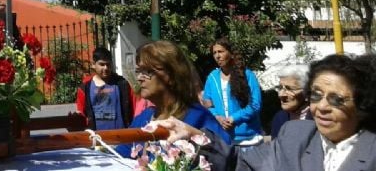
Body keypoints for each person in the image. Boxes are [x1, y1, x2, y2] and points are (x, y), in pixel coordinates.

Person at [147, 53, 376, 170]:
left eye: (336, 99)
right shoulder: (295, 136)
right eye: (316, 95)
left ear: (363, 104)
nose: (322, 106)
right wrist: (193, 135)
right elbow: (239, 162)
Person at [115, 41, 230, 157]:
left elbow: (227, 157)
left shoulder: (198, 116)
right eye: (139, 71)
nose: (139, 78)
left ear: (172, 75)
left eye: (148, 71)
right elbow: (119, 156)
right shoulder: (144, 118)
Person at [203, 37, 264, 147]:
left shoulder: (247, 75)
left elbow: (255, 104)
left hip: (249, 140)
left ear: (231, 54)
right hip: (223, 140)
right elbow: (207, 103)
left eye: (221, 51)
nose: (217, 56)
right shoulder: (212, 78)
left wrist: (233, 118)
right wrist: (217, 117)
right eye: (214, 53)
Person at [75, 47, 136, 131]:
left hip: (122, 138)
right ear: (93, 64)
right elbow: (81, 113)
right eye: (102, 64)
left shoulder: (122, 84)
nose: (106, 68)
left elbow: (134, 108)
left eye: (108, 64)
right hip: (97, 139)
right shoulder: (85, 88)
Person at [270, 63, 312, 138]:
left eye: (289, 89)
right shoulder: (280, 118)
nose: (281, 95)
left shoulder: (319, 118)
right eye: (280, 88)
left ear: (306, 92)